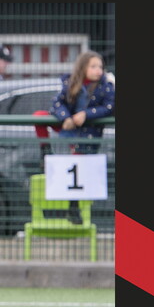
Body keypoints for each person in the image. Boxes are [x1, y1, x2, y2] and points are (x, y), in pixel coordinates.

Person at [50, 50, 115, 223]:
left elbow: (109, 107)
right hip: (68, 131)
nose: (98, 70)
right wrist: (66, 118)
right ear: (82, 67)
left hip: (88, 136)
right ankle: (44, 151)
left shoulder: (106, 85)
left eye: (100, 66)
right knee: (39, 115)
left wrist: (87, 114)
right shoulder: (70, 83)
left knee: (78, 163)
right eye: (93, 66)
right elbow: (57, 103)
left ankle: (73, 208)